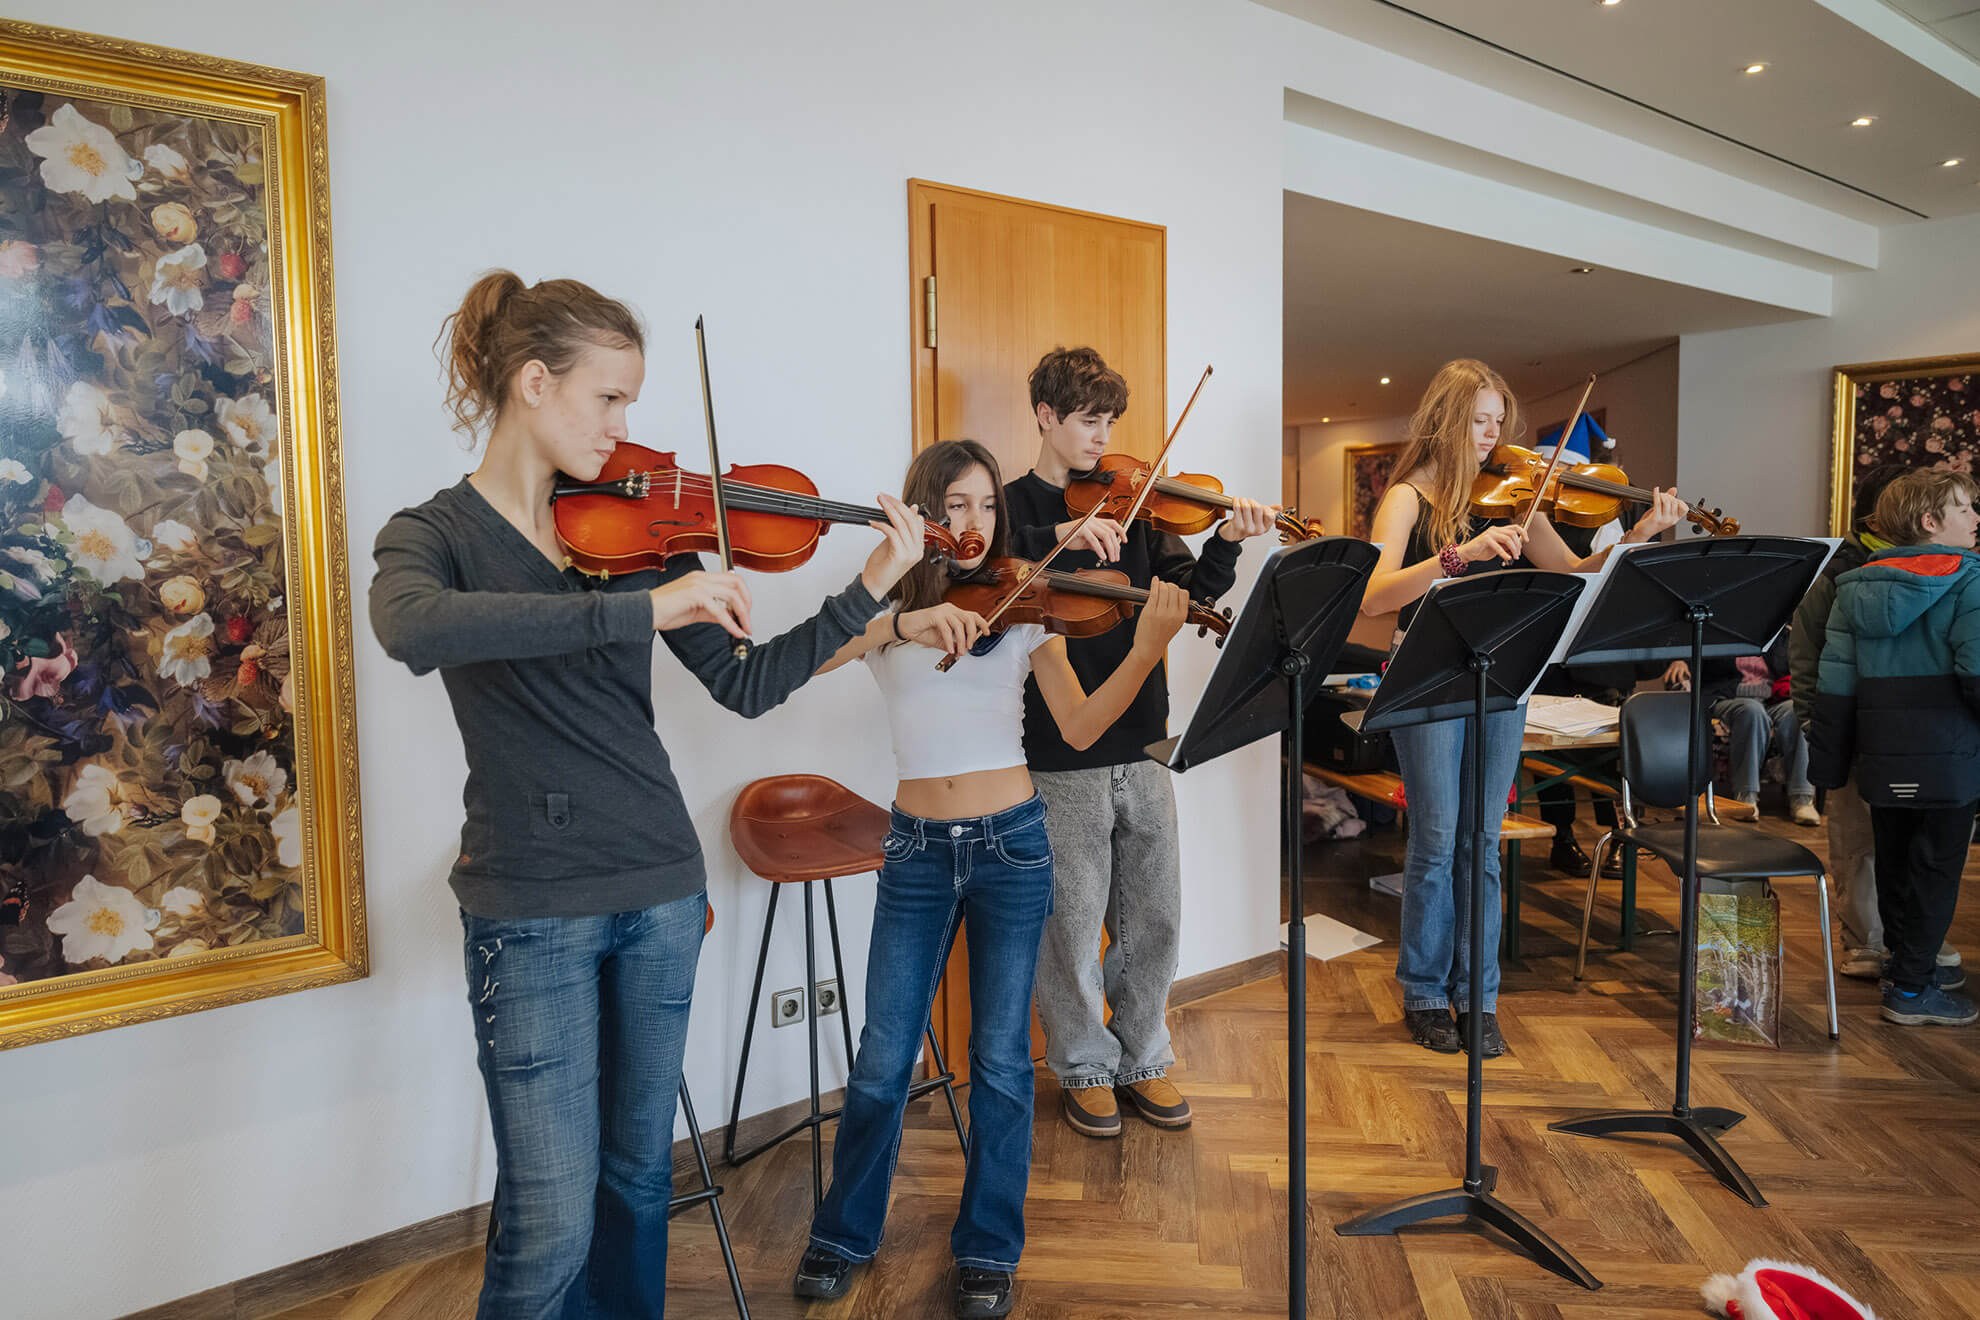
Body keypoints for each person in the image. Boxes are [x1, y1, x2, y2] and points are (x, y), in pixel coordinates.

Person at [370, 270, 927, 1319]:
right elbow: (414, 628)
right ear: (535, 382)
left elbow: (753, 684)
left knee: (635, 1183)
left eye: (633, 401)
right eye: (610, 398)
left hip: (661, 892)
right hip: (530, 908)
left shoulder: (631, 535)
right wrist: (639, 614)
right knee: (548, 1217)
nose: (628, 426)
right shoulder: (433, 536)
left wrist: (867, 588)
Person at [793, 439, 1188, 1318]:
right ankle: (843, 1233)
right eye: (955, 505)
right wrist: (900, 620)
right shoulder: (889, 593)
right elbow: (807, 660)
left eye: (984, 507)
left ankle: (989, 1249)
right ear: (925, 510)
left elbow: (1082, 729)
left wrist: (1148, 644)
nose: (973, 524)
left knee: (1003, 1060)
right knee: (884, 1056)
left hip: (1013, 843)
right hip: (916, 850)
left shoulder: (1026, 609)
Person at [1356, 359, 1688, 1056]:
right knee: (1438, 842)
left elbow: (1572, 577)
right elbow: (1372, 597)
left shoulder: (1513, 498)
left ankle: (1478, 996)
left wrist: (1637, 535)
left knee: (1483, 842)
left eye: (1498, 422)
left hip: (1504, 679)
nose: (1492, 435)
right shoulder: (1408, 500)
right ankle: (1424, 991)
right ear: (1448, 421)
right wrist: (1457, 556)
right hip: (1432, 679)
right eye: (1479, 420)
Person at [1001, 346, 1278, 1139]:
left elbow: (1192, 599)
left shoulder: (1142, 511)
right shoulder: (1015, 507)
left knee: (1153, 914)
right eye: (1089, 419)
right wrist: (1064, 529)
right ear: (1047, 416)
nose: (1102, 436)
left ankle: (1144, 1055)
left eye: (1111, 421)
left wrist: (1227, 541)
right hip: (1061, 749)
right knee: (1071, 922)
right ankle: (1084, 1064)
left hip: (1146, 742)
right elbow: (989, 562)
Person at [1809, 468, 1980, 1028]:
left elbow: (1833, 689)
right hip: (1948, 758)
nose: (1976, 519)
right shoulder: (1970, 580)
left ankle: (1906, 972)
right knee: (1936, 871)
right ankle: (1911, 990)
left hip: (1881, 758)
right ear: (1931, 523)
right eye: (1965, 509)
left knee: (1897, 869)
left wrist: (1829, 768)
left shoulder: (1853, 585)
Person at [1659, 636, 1819, 826]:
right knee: (1752, 711)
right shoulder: (1720, 629)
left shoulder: (1776, 632)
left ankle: (1802, 798)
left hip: (1773, 698)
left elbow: (1793, 664)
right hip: (1727, 697)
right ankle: (1746, 797)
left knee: (1797, 712)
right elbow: (1692, 642)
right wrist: (1680, 660)